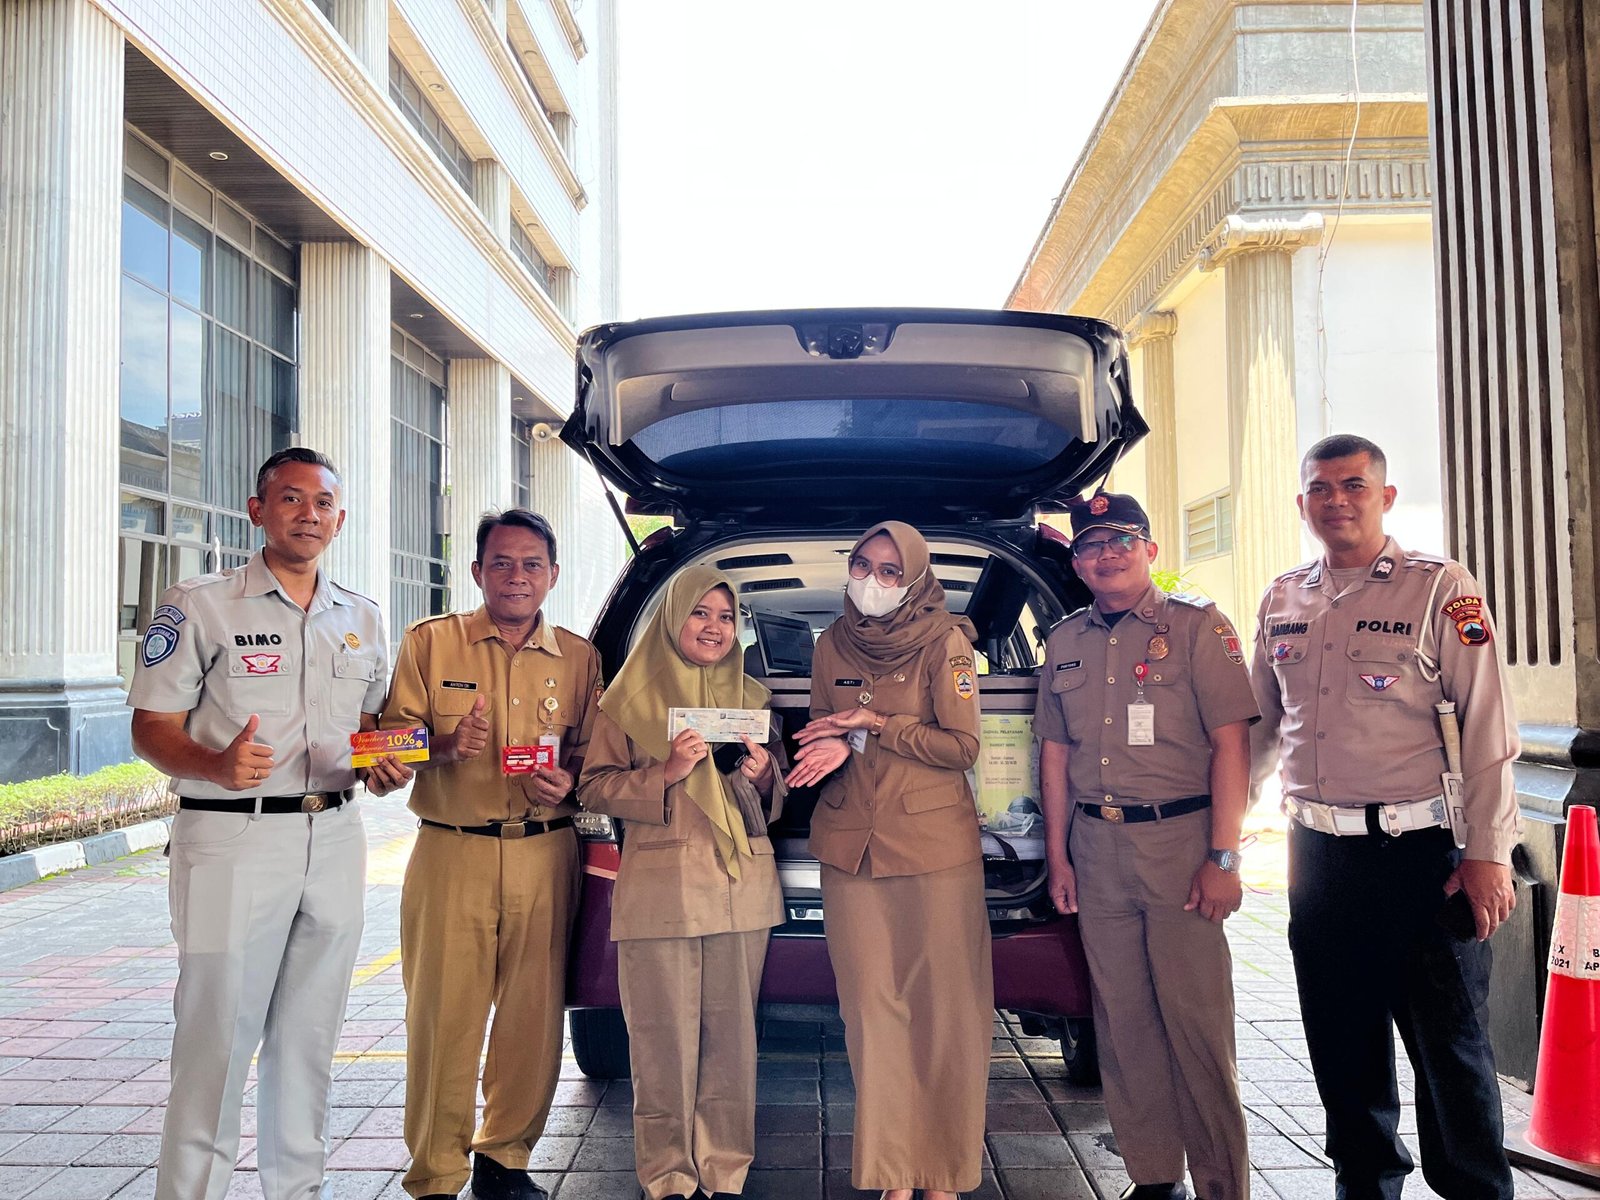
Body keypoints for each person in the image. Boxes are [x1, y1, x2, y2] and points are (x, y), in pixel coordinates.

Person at [1250, 434, 1520, 1200]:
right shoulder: (1281, 599)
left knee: (1452, 1052)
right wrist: (1220, 839)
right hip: (1321, 859)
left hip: (1425, 855)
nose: (1336, 499)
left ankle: (1475, 1190)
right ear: (1302, 503)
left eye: (1354, 485)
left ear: (1385, 497)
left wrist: (1489, 854)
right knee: (1342, 1043)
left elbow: (1488, 731)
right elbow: (1263, 729)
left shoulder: (1443, 590)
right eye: (1321, 488)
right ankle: (1363, 1186)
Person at [127, 447, 388, 1200]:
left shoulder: (362, 617)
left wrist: (383, 762)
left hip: (334, 836)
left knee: (309, 1043)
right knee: (216, 1039)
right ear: (258, 510)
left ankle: (297, 1191)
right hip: (232, 839)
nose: (308, 514)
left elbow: (368, 726)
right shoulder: (199, 604)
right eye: (291, 499)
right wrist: (212, 765)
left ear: (340, 518)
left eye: (323, 503)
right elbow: (151, 726)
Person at [1034, 492, 1256, 1200]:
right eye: (1092, 544)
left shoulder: (1197, 626)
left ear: (1151, 551)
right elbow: (1054, 756)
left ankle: (1222, 1184)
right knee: (1124, 1023)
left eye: (1121, 540)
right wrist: (1060, 857)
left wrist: (1224, 856)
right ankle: (1155, 1176)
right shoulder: (1064, 641)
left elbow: (1232, 745)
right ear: (1075, 561)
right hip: (1096, 849)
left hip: (1181, 844)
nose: (1106, 554)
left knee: (1196, 1022)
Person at [380, 509, 603, 1200]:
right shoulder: (430, 644)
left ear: (553, 576)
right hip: (453, 850)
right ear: (477, 571)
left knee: (533, 1019)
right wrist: (443, 748)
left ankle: (505, 1159)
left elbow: (595, 759)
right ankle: (436, 1175)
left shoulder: (579, 657)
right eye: (501, 563)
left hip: (547, 851)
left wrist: (571, 781)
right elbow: (388, 743)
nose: (516, 576)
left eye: (532, 564)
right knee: (443, 1018)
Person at [786, 520, 990, 1200]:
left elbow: (961, 747)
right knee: (872, 1014)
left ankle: (943, 1175)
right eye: (863, 565)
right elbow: (825, 727)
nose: (872, 581)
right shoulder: (830, 643)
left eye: (889, 571)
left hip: (933, 849)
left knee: (943, 1011)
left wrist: (873, 726)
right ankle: (894, 1175)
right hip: (852, 849)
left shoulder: (947, 643)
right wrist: (843, 745)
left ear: (916, 578)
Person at [578, 566, 787, 1200]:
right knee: (661, 1043)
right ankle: (668, 1176)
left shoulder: (751, 697)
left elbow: (770, 800)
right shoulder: (626, 699)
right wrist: (666, 771)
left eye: (726, 618)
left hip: (740, 885)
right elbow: (593, 788)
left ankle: (725, 1169)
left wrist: (760, 776)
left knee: (733, 1041)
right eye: (700, 613)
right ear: (673, 619)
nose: (714, 628)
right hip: (662, 889)